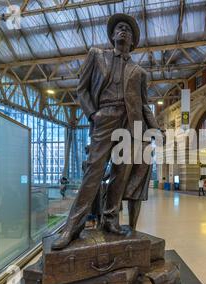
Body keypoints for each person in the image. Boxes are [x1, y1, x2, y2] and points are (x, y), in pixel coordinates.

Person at [52, 13, 160, 250]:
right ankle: (72, 227)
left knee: (120, 175)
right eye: (120, 28)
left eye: (128, 30)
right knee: (94, 172)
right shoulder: (96, 55)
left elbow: (144, 104)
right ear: (112, 35)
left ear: (133, 41)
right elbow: (82, 90)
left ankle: (111, 220)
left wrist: (156, 129)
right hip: (104, 117)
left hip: (131, 125)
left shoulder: (139, 72)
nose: (124, 31)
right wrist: (93, 114)